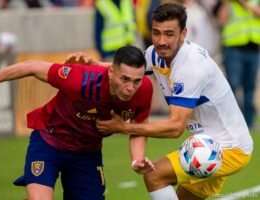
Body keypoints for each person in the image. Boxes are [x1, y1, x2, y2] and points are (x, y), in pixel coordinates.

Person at [65, 3, 254, 200]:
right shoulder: (155, 54)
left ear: (183, 34)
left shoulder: (190, 67)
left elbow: (175, 127)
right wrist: (93, 64)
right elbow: (128, 70)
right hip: (207, 144)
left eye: (169, 34)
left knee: (154, 176)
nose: (161, 41)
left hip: (229, 147)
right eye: (156, 33)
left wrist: (124, 127)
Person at [0, 45, 155, 200]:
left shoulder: (144, 89)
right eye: (125, 79)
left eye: (136, 81)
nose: (130, 88)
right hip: (50, 141)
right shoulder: (80, 78)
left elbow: (139, 127)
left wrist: (137, 159)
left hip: (87, 153)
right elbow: (31, 67)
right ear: (111, 71)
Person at [216, 0, 260, 128]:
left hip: (253, 48)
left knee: (250, 86)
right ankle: (230, 121)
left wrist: (243, 4)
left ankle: (249, 121)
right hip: (233, 48)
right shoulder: (228, 2)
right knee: (233, 85)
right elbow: (221, 20)